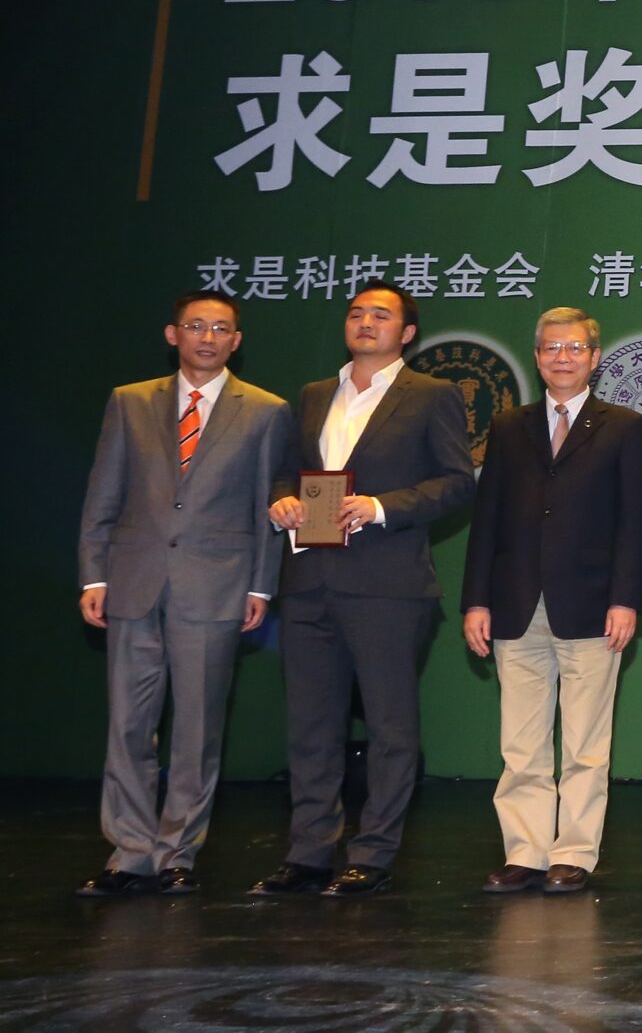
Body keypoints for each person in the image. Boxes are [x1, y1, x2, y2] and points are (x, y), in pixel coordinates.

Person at [254, 282, 475, 898]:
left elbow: (457, 481)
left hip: (387, 584)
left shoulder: (431, 394)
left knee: (389, 726)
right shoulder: (313, 395)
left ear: (408, 333)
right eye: (356, 313)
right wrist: (282, 501)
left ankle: (373, 853)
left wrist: (379, 507)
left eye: (381, 315)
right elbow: (285, 472)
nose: (366, 323)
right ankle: (309, 853)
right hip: (308, 581)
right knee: (310, 725)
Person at [74, 290, 294, 897]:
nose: (207, 337)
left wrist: (260, 584)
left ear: (236, 342)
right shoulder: (129, 401)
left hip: (217, 586)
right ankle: (129, 852)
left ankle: (177, 853)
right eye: (196, 326)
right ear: (173, 334)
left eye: (220, 329)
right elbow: (103, 493)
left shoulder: (266, 411)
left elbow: (267, 504)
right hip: (132, 583)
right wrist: (94, 576)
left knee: (197, 730)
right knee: (128, 726)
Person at [461, 307, 642, 896]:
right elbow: (487, 518)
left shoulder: (623, 426)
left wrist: (625, 598)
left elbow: (633, 521)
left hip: (593, 604)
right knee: (521, 742)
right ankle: (525, 851)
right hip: (515, 602)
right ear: (537, 356)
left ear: (595, 357)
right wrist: (476, 601)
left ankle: (574, 853)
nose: (561, 358)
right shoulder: (509, 425)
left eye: (573, 348)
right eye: (550, 348)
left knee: (586, 745)